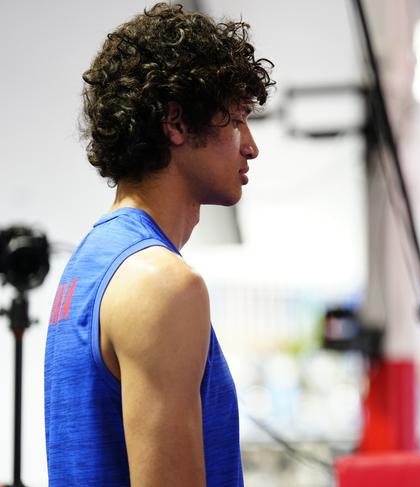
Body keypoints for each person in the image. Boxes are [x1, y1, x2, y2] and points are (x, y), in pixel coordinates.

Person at [44, 3, 274, 486]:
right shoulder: (160, 282)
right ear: (176, 122)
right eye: (236, 121)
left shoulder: (89, 266)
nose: (251, 146)